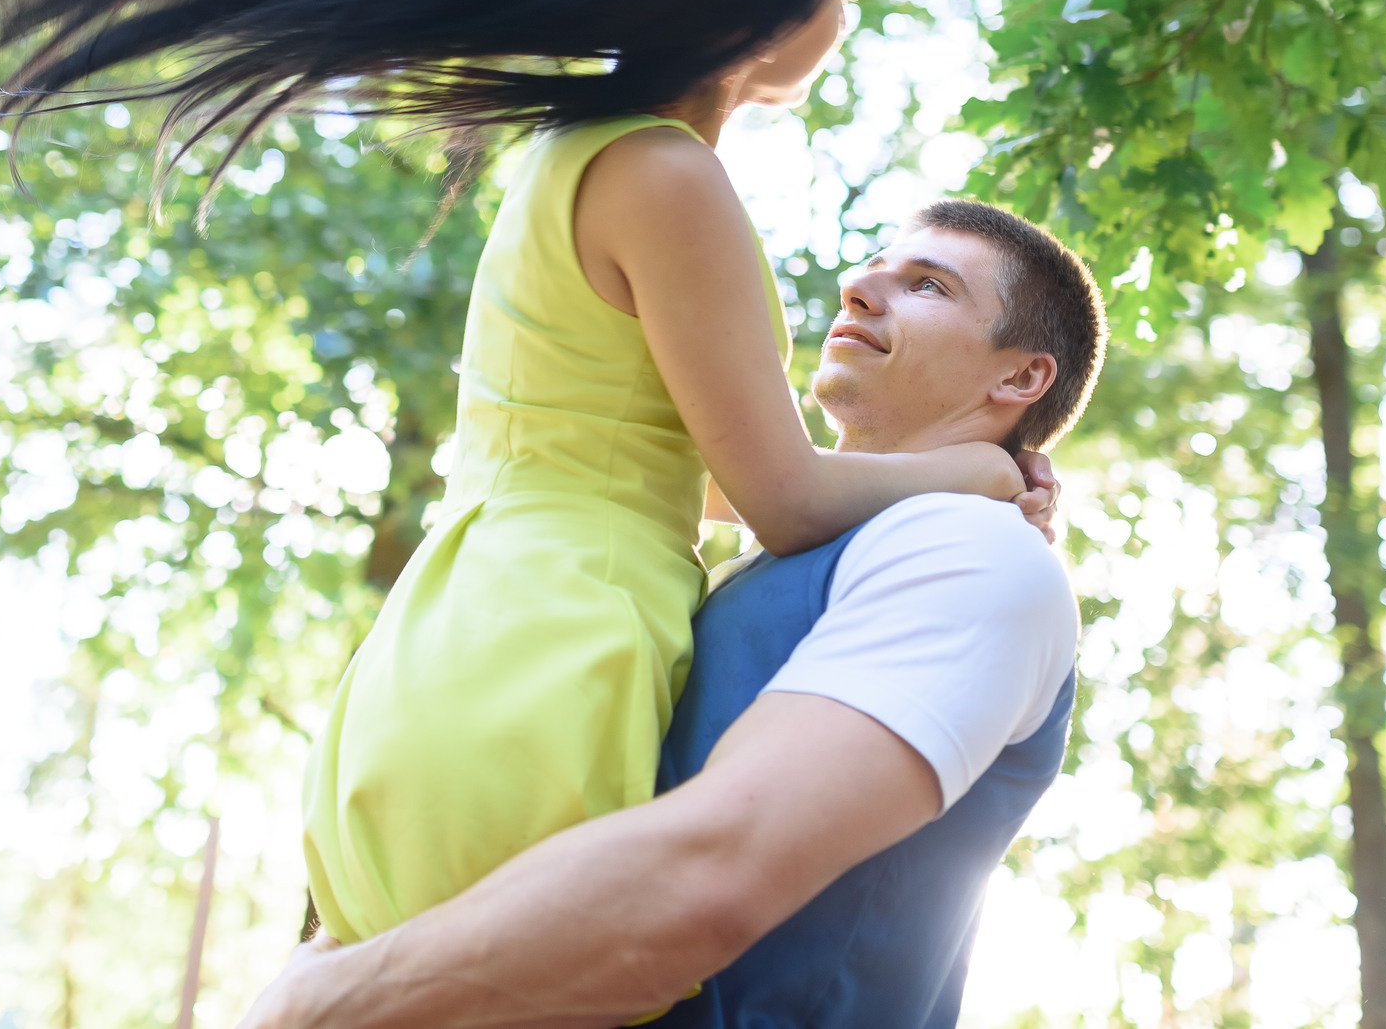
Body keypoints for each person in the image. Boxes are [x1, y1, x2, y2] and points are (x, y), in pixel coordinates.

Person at [0, 0, 1050, 953]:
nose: (847, 11)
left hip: (465, 629)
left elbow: (695, 474)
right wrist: (977, 467)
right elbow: (783, 501)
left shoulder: (576, 155)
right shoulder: (670, 175)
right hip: (551, 646)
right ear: (755, 10)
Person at [237, 198, 1103, 1029]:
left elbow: (711, 872)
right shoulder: (754, 565)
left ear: (1022, 374)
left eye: (928, 285)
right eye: (872, 266)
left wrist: (321, 1001)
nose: (859, 287)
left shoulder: (974, 555)